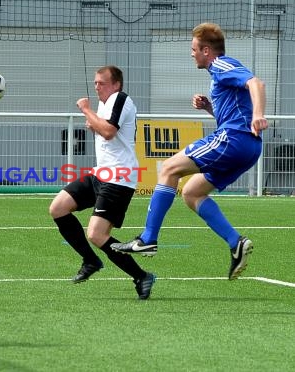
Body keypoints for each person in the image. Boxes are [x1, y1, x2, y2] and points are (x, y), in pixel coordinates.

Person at [112, 22, 268, 280]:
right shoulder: (218, 75)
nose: (191, 53)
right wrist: (209, 108)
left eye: (194, 48)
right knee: (193, 192)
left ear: (207, 50)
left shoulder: (220, 64)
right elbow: (234, 110)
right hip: (247, 146)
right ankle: (235, 242)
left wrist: (259, 115)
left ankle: (148, 238)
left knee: (170, 168)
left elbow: (256, 83)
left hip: (235, 139)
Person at [49, 65, 156, 300]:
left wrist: (86, 111)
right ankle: (90, 260)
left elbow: (108, 132)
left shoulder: (120, 98)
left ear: (116, 85)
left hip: (119, 179)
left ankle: (141, 276)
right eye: (95, 82)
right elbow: (106, 131)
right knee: (58, 208)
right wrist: (94, 119)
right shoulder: (105, 103)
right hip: (101, 175)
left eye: (102, 83)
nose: (97, 86)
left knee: (97, 235)